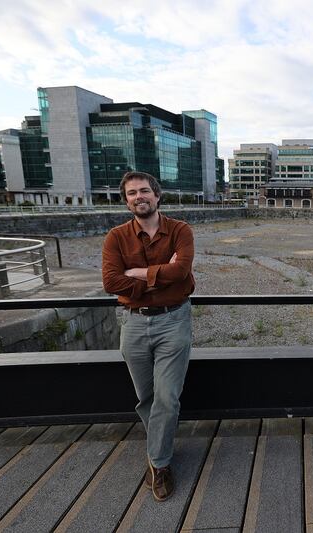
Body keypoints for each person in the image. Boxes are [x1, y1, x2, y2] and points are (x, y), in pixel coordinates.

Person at [102, 171, 195, 501]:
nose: (138, 197)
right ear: (126, 201)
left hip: (174, 321)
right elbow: (112, 282)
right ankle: (161, 443)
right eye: (131, 193)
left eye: (144, 191)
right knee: (147, 398)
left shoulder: (180, 231)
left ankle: (159, 464)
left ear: (157, 196)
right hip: (133, 323)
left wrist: (138, 274)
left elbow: (181, 273)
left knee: (167, 396)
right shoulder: (116, 237)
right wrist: (160, 275)